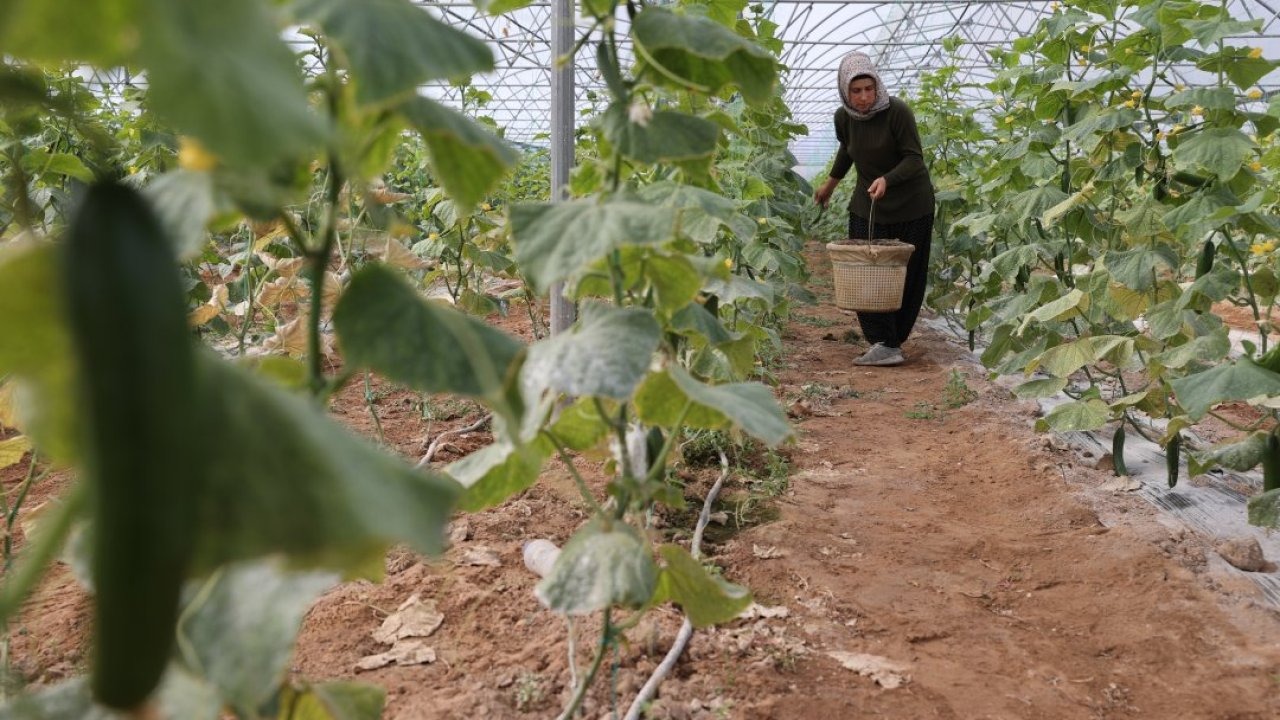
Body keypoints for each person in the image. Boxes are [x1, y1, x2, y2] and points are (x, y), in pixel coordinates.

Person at [814, 51, 935, 367]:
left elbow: (913, 158)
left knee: (907, 276)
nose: (864, 97)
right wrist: (830, 184)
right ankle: (882, 340)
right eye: (856, 91)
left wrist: (887, 179)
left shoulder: (897, 112)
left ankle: (892, 342)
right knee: (863, 271)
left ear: (877, 86)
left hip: (912, 203)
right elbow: (847, 150)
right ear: (845, 91)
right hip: (868, 203)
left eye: (869, 88)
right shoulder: (843, 118)